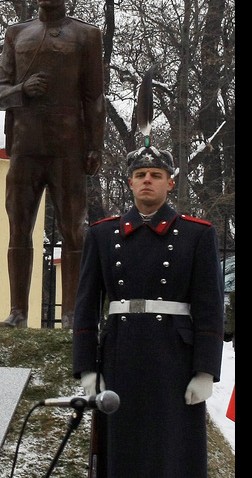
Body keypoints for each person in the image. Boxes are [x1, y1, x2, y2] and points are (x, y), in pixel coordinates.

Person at [72, 146, 224, 477]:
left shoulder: (197, 234)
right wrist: (86, 367)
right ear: (129, 182)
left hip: (175, 360)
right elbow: (85, 306)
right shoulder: (102, 234)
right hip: (119, 355)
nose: (147, 181)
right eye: (140, 175)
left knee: (173, 452)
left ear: (170, 183)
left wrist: (205, 371)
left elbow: (210, 307)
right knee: (122, 452)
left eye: (156, 175)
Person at [0, 0, 105, 328]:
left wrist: (95, 145)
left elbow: (94, 96)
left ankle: (72, 312)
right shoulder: (17, 34)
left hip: (68, 148)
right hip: (25, 147)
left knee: (74, 228)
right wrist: (23, 89)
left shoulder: (86, 36)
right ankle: (18, 312)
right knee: (18, 228)